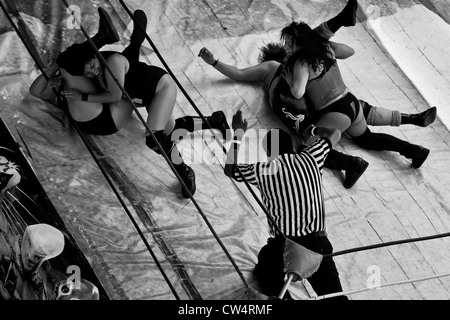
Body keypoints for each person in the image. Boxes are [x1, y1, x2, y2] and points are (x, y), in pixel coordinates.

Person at [30, 8, 230, 199]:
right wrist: (136, 39)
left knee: (155, 138)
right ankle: (213, 120)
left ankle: (185, 171)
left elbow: (115, 96)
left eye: (91, 66)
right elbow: (125, 60)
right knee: (170, 131)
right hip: (143, 97)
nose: (91, 72)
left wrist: (82, 97)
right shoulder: (94, 71)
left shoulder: (112, 63)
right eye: (87, 72)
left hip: (160, 88)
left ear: (95, 56)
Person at [224, 110, 347, 300]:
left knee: (265, 268)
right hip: (318, 244)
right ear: (291, 146)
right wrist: (312, 130)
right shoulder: (311, 157)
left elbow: (230, 169)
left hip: (286, 246)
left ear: (268, 153)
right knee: (336, 298)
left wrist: (238, 134)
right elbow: (335, 133)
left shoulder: (262, 170)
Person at [280, 21, 431, 168]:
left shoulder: (301, 63)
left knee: (307, 149)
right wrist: (326, 43)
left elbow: (298, 93)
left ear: (300, 42)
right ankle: (415, 151)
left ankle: (352, 165)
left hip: (334, 110)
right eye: (285, 42)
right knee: (368, 139)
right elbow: (350, 51)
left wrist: (289, 80)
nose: (286, 47)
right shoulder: (326, 48)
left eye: (289, 43)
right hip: (351, 103)